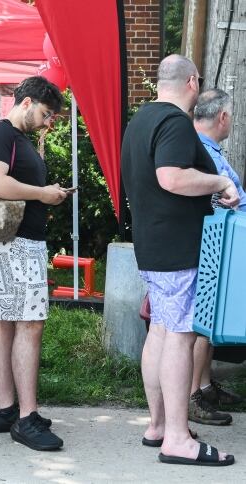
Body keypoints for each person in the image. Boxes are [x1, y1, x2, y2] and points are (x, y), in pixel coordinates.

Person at [122, 54, 238, 466]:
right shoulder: (173, 123)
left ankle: (158, 426)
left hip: (153, 245)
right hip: (177, 248)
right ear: (192, 81)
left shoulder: (140, 121)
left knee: (161, 332)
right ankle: (177, 438)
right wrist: (220, 180)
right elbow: (170, 176)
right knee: (180, 336)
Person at [0, 76, 67, 451]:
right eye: (47, 114)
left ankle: (5, 409)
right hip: (14, 242)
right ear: (26, 103)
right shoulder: (2, 134)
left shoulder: (11, 136)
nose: (49, 123)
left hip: (8, 241)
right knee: (30, 324)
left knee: (7, 322)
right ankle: (26, 417)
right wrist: (43, 194)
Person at [187, 88, 245, 426]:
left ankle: (204, 386)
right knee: (202, 324)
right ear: (222, 117)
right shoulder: (203, 153)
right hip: (211, 246)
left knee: (210, 323)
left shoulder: (204, 149)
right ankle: (193, 395)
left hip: (218, 243)